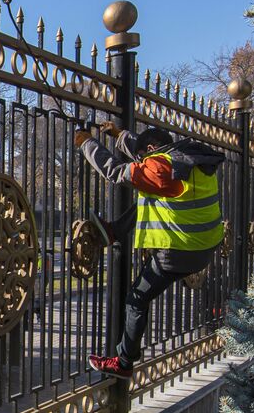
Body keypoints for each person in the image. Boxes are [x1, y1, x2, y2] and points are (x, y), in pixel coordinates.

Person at [75, 121, 226, 379]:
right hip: (205, 247)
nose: (142, 160)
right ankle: (113, 232)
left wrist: (85, 142)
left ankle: (123, 363)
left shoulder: (162, 168)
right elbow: (146, 154)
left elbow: (116, 172)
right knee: (147, 192)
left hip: (178, 252)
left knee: (136, 300)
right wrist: (119, 134)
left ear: (154, 149)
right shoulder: (191, 157)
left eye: (145, 156)